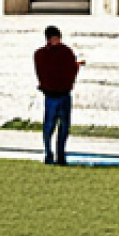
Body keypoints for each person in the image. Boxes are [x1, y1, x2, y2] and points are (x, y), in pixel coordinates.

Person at [33, 25, 81, 165]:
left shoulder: (64, 52)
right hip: (54, 95)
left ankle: (59, 153)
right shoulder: (45, 54)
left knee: (62, 126)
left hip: (61, 94)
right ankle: (50, 152)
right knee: (51, 125)